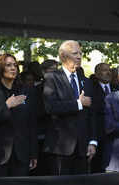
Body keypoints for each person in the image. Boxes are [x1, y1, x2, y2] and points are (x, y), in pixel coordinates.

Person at [0, 54, 38, 177]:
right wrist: (6, 106)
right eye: (8, 65)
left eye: (15, 65)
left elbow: (31, 124)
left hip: (21, 156)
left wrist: (33, 153)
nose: (13, 68)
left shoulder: (25, 91)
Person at [42, 40, 97, 175]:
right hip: (60, 147)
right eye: (75, 53)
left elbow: (91, 114)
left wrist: (92, 141)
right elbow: (50, 107)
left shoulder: (87, 81)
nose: (79, 56)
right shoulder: (52, 78)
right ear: (63, 56)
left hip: (82, 147)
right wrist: (78, 103)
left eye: (80, 53)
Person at [87, 63, 118, 173]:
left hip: (115, 135)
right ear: (96, 74)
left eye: (109, 70)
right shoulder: (91, 88)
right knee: (98, 169)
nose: (108, 72)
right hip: (99, 135)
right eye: (105, 70)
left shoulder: (116, 88)